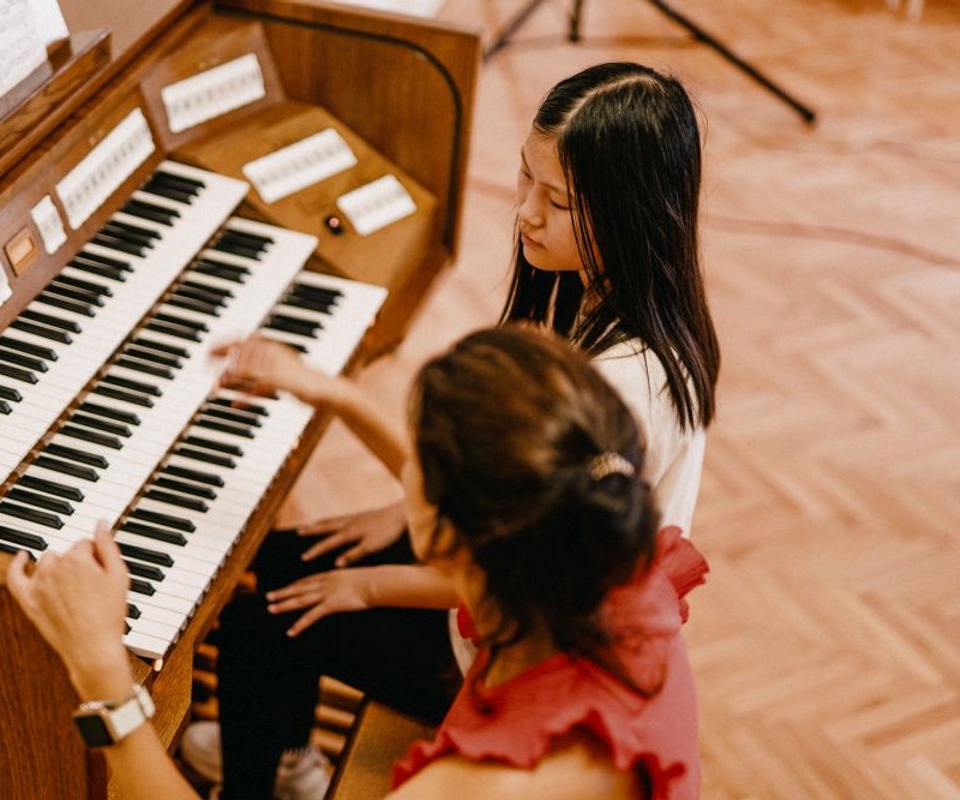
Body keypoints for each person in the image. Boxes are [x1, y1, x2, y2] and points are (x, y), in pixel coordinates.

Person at [180, 60, 720, 800]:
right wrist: (400, 514)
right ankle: (292, 751)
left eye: (556, 200)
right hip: (529, 584)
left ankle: (267, 780)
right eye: (527, 179)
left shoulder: (622, 387)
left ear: (630, 213)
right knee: (283, 561)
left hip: (510, 640)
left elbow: (512, 567)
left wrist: (372, 586)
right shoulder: (618, 310)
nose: (526, 212)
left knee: (262, 610)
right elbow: (511, 491)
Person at [6, 326, 710, 799]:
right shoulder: (611, 558)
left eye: (421, 478)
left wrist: (101, 672)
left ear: (439, 530)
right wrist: (332, 391)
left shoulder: (483, 787)